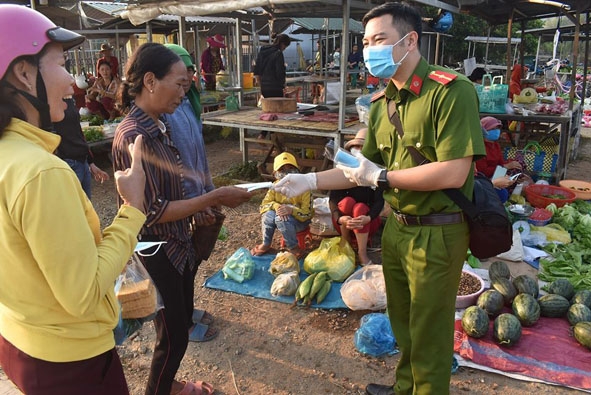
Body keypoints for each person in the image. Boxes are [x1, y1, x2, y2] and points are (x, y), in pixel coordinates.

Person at [273, 3, 485, 394]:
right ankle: (406, 388)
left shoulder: (451, 92)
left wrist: (383, 176)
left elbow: (454, 171)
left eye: (379, 39)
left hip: (437, 233)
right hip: (398, 230)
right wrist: (309, 180)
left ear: (409, 41)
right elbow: (361, 169)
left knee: (429, 333)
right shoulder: (383, 101)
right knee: (403, 322)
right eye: (366, 41)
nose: (370, 48)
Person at [0, 5, 146, 394]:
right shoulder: (41, 172)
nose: (72, 82)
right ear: (24, 73)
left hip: (19, 340)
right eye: (63, 64)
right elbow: (82, 295)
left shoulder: (9, 158)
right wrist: (132, 210)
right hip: (70, 363)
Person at [112, 42, 252, 395]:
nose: (182, 94)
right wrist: (217, 196)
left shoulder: (159, 125)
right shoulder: (134, 136)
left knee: (177, 322)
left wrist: (198, 205)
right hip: (157, 250)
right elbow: (151, 211)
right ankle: (158, 390)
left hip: (176, 244)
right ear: (150, 81)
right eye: (178, 84)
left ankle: (168, 383)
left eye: (187, 86)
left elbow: (171, 193)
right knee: (173, 336)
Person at [162, 43, 218, 343]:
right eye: (182, 80)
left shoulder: (187, 104)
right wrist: (196, 203)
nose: (188, 84)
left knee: (191, 261)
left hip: (195, 197)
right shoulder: (166, 112)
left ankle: (187, 310)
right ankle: (181, 323)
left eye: (191, 76)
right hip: (180, 203)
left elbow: (198, 153)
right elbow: (176, 162)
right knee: (180, 266)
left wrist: (208, 191)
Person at [329, 129, 384, 266]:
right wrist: (340, 218)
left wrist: (368, 217)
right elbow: (333, 199)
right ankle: (345, 241)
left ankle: (362, 253)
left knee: (359, 207)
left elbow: (379, 202)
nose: (358, 150)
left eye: (362, 147)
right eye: (356, 147)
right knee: (347, 202)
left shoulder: (376, 171)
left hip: (367, 222)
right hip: (343, 223)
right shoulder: (345, 169)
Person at [251, 152, 313, 260]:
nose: (287, 171)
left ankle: (293, 247)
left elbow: (307, 213)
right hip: (279, 219)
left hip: (300, 221)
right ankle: (266, 243)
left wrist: (291, 210)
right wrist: (276, 206)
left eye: (290, 167)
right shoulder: (275, 186)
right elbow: (263, 206)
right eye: (282, 169)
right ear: (275, 173)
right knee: (268, 214)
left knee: (281, 218)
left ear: (297, 170)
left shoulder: (304, 187)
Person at [54, 96, 110, 199]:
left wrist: (90, 162)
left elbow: (78, 132)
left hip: (82, 162)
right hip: (67, 162)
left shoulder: (69, 100)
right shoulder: (46, 102)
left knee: (86, 206)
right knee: (73, 206)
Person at [475, 116, 522, 202]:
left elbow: (500, 162)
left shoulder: (496, 145)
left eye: (497, 128)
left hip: (496, 175)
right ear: (484, 130)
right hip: (482, 180)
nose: (496, 131)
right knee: (501, 194)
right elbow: (482, 170)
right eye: (493, 129)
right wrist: (505, 167)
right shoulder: (480, 147)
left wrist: (505, 172)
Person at [253, 34, 292, 139]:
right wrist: (283, 84)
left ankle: (263, 134)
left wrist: (260, 83)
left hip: (264, 86)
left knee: (268, 111)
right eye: (285, 46)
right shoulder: (278, 54)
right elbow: (280, 72)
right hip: (275, 86)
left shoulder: (263, 50)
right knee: (277, 112)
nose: (284, 49)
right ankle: (274, 138)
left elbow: (257, 68)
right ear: (282, 44)